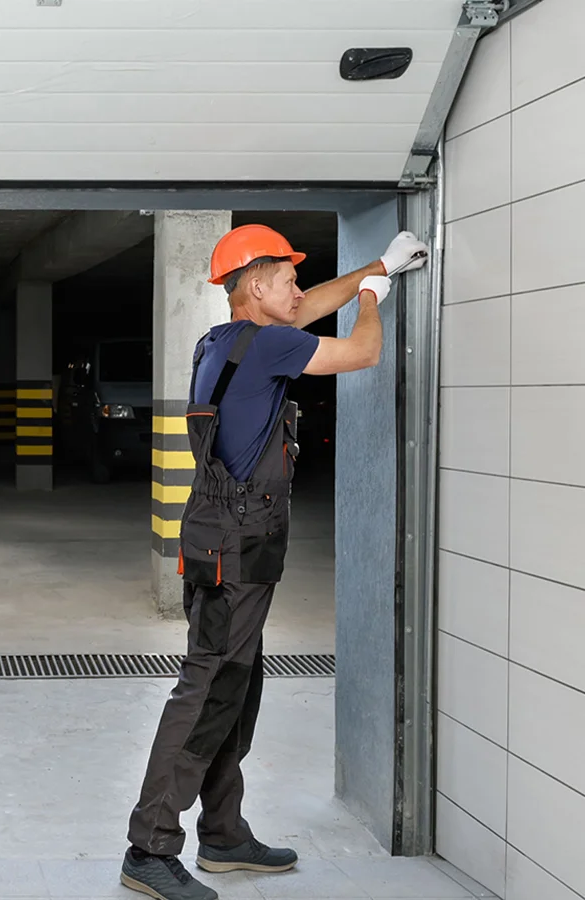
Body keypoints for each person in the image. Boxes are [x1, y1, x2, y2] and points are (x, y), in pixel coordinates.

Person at [119, 224, 430, 900]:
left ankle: (225, 834)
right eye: (286, 278)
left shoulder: (225, 341)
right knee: (206, 690)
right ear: (255, 287)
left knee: (237, 685)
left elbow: (309, 307)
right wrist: (373, 295)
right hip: (237, 544)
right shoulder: (270, 345)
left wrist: (377, 265)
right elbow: (362, 352)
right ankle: (149, 845)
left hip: (222, 541)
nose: (297, 288)